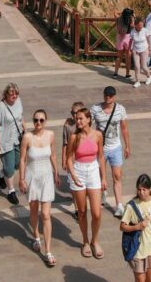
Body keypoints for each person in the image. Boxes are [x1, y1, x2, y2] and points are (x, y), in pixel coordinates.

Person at [19, 109, 60, 267]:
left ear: (46, 121)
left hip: (47, 177)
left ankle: (48, 251)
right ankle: (36, 237)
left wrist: (56, 172)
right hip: (32, 177)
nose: (38, 123)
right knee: (34, 211)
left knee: (46, 214)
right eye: (36, 120)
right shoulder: (27, 137)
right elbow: (22, 159)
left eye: (41, 120)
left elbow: (53, 155)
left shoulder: (50, 135)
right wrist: (21, 179)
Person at [66, 107, 106, 259]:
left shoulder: (98, 135)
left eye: (81, 118)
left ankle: (95, 240)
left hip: (94, 170)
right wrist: (74, 175)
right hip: (79, 171)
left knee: (96, 213)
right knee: (82, 212)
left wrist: (103, 178)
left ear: (89, 119)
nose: (78, 121)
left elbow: (101, 157)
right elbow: (69, 158)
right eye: (77, 118)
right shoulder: (74, 137)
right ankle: (85, 241)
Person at [91, 86, 131, 218]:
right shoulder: (96, 109)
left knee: (117, 176)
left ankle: (119, 205)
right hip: (100, 148)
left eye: (110, 95)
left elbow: (124, 128)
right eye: (106, 95)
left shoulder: (120, 109)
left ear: (115, 96)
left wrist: (127, 146)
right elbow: (88, 125)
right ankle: (102, 193)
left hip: (115, 147)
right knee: (99, 175)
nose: (108, 97)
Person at [120, 174, 151, 281]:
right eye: (139, 189)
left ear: (150, 189)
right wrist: (137, 227)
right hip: (137, 250)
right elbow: (122, 226)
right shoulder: (131, 206)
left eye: (144, 189)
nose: (141, 192)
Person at [0, 83, 25, 204]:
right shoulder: (1, 107)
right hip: (5, 141)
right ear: (6, 94)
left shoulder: (19, 101)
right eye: (12, 93)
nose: (14, 95)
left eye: (16, 93)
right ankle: (11, 191)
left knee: (17, 164)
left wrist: (24, 130)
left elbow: (21, 116)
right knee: (10, 168)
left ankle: (0, 174)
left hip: (18, 138)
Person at [63, 100, 84, 219]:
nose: (74, 115)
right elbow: (65, 143)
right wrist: (64, 158)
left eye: (76, 113)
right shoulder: (68, 125)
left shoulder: (86, 125)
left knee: (81, 185)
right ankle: (77, 208)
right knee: (74, 185)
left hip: (83, 160)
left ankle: (81, 205)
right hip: (72, 159)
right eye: (72, 113)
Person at [129, 17, 151, 88]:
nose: (141, 27)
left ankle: (149, 76)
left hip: (144, 49)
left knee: (143, 66)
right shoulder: (132, 31)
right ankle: (137, 81)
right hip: (135, 50)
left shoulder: (145, 30)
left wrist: (150, 50)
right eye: (139, 26)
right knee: (136, 66)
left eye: (142, 25)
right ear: (135, 25)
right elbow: (131, 41)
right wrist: (130, 49)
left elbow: (149, 41)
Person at [113, 8, 135, 79]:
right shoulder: (131, 19)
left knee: (119, 57)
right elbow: (133, 25)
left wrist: (122, 12)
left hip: (120, 38)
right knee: (128, 57)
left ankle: (115, 73)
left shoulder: (119, 18)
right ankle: (127, 74)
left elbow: (115, 12)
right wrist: (133, 16)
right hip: (128, 38)